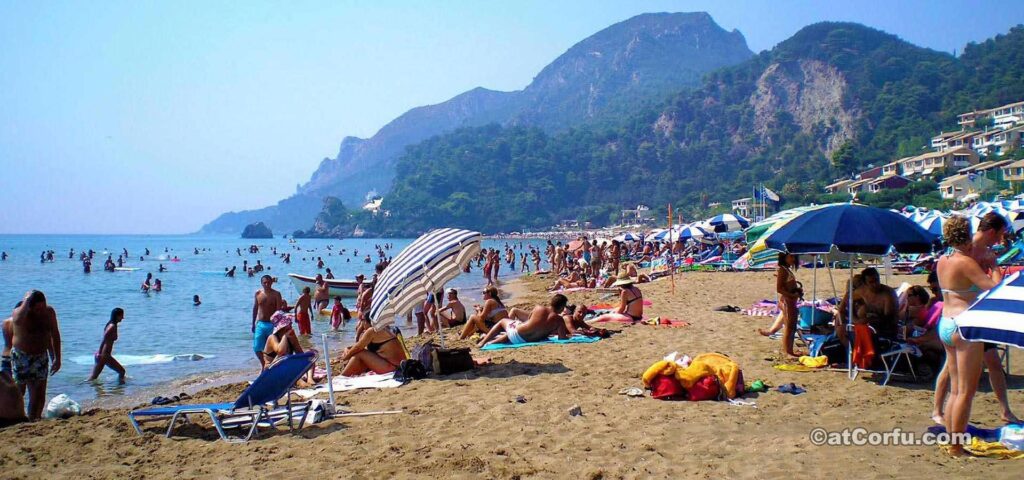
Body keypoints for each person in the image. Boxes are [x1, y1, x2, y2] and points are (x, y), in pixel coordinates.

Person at [935, 215, 1002, 456]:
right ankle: (956, 446)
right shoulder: (965, 262)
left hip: (946, 322)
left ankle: (952, 440)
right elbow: (995, 289)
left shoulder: (944, 260)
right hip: (965, 325)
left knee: (956, 389)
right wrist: (994, 266)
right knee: (966, 391)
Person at [10, 291, 62, 421]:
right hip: (22, 357)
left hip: (40, 356)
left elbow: (54, 334)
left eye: (42, 307)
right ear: (30, 306)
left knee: (39, 392)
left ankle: (34, 418)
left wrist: (56, 357)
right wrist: (27, 300)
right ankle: (15, 417)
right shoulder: (20, 313)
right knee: (19, 391)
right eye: (37, 308)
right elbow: (16, 320)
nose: (41, 311)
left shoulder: (49, 313)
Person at [478, 294, 570, 347]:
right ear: (561, 307)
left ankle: (484, 342)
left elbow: (529, 320)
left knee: (503, 321)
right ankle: (491, 342)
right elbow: (562, 338)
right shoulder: (559, 320)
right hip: (527, 340)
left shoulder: (539, 308)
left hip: (516, 335)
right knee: (515, 330)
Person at [761, 253, 803, 357]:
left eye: (794, 256)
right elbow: (779, 289)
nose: (793, 259)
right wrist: (793, 295)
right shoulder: (783, 270)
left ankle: (790, 350)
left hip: (790, 301)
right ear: (784, 257)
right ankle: (787, 352)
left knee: (792, 327)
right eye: (790, 256)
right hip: (788, 301)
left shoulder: (786, 269)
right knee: (789, 327)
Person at [263, 312, 315, 386]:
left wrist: (307, 356)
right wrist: (285, 336)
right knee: (282, 357)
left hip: (286, 366)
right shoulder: (272, 338)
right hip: (272, 369)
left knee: (310, 355)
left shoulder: (291, 336)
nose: (291, 324)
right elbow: (280, 351)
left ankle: (309, 378)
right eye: (288, 323)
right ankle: (299, 381)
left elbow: (300, 353)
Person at [341, 319, 407, 376]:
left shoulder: (372, 330)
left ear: (367, 322)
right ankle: (347, 374)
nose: (362, 325)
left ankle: (343, 376)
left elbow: (357, 348)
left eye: (363, 322)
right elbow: (359, 347)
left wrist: (344, 358)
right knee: (358, 354)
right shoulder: (384, 328)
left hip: (393, 367)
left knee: (359, 354)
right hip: (400, 366)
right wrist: (347, 351)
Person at [252, 275, 285, 368]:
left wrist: (279, 326)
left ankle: (272, 365)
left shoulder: (276, 294)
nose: (267, 284)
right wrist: (253, 323)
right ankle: (264, 364)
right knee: (257, 347)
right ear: (261, 283)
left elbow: (279, 311)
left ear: (272, 282)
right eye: (265, 282)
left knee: (273, 347)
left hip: (272, 324)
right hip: (260, 324)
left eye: (269, 282)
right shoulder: (258, 293)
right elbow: (255, 308)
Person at [87, 308, 126, 383]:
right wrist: (100, 352)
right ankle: (120, 390)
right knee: (122, 371)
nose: (123, 318)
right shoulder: (112, 326)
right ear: (117, 316)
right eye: (121, 315)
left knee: (93, 378)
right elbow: (104, 338)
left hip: (103, 355)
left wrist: (100, 353)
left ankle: (119, 389)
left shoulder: (111, 324)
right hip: (104, 356)